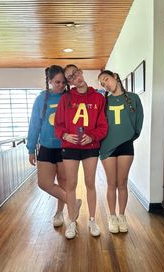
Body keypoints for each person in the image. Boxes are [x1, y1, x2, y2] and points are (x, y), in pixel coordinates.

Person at [55, 64, 108, 239]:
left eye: (76, 73)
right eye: (70, 77)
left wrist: (92, 137)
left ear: (81, 72)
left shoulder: (98, 98)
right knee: (70, 185)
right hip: (70, 148)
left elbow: (102, 126)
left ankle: (92, 220)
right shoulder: (66, 99)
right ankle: (72, 221)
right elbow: (58, 125)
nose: (75, 77)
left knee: (90, 183)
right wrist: (65, 135)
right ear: (68, 82)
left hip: (90, 148)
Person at [27, 65, 81, 228]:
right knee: (44, 183)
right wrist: (31, 148)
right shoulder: (41, 99)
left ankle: (59, 213)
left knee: (64, 182)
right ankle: (73, 203)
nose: (60, 85)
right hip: (46, 147)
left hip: (66, 146)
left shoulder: (71, 97)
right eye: (57, 82)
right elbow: (34, 124)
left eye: (63, 82)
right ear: (49, 81)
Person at [98, 70, 144, 234]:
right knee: (112, 183)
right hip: (107, 147)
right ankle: (112, 216)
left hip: (125, 145)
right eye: (102, 84)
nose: (106, 84)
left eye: (106, 79)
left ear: (115, 77)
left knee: (122, 182)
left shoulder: (133, 98)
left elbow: (139, 120)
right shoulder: (104, 102)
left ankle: (122, 216)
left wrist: (131, 136)